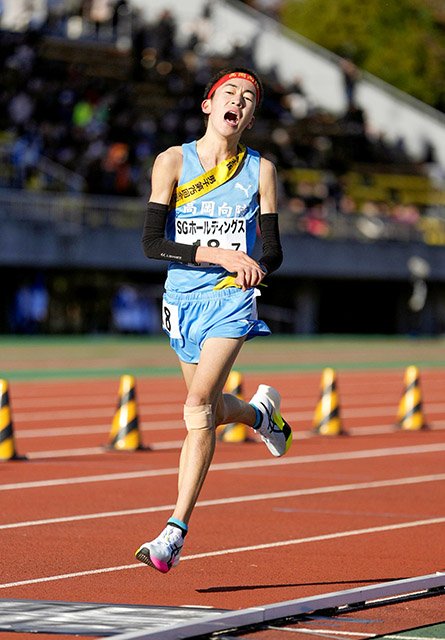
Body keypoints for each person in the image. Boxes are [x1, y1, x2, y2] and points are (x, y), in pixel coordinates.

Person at [135, 66, 293, 574]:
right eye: (231, 93)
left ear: (249, 118)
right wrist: (216, 253)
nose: (239, 102)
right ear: (209, 104)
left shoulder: (261, 170)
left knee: (198, 406)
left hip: (231, 299)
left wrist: (250, 267)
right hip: (182, 300)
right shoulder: (171, 161)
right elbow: (152, 243)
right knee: (210, 409)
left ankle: (172, 534)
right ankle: (260, 416)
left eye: (249, 99)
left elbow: (272, 253)